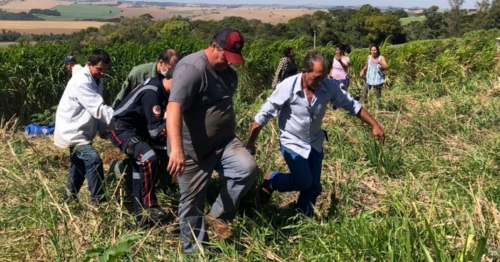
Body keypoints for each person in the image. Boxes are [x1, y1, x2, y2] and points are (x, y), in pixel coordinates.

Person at [246, 51, 385, 217]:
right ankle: (273, 180)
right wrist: (250, 142)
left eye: (323, 77)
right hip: (292, 142)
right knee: (304, 180)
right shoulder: (287, 86)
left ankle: (304, 216)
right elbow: (264, 114)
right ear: (304, 72)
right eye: (317, 77)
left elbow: (351, 104)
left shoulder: (328, 85)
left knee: (313, 187)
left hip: (315, 142)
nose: (320, 82)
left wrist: (374, 125)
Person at [166, 28, 258, 253]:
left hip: (224, 143)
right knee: (191, 202)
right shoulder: (192, 69)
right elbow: (174, 107)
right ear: (213, 45)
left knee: (247, 169)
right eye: (226, 56)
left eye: (233, 59)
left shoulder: (228, 72)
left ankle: (218, 216)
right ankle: (194, 251)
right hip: (192, 150)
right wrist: (176, 150)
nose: (229, 63)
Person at [109, 48, 179, 192]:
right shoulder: (140, 74)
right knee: (147, 157)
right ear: (161, 63)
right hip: (129, 126)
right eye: (172, 69)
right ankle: (118, 170)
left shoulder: (164, 86)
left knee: (161, 156)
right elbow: (123, 99)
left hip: (149, 123)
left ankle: (161, 187)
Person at [107, 75, 172, 228]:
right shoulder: (153, 92)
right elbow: (156, 131)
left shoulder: (160, 87)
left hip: (137, 130)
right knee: (148, 158)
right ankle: (149, 206)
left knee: (141, 168)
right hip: (121, 128)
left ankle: (142, 220)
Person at [54, 49, 113, 205]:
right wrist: (120, 120)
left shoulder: (97, 81)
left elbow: (96, 108)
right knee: (93, 160)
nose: (102, 73)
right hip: (73, 131)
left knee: (79, 166)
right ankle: (99, 203)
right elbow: (99, 108)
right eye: (99, 69)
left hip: (83, 130)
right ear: (89, 65)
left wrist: (103, 130)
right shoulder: (82, 81)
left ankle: (68, 200)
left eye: (105, 70)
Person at [112, 48, 178, 108]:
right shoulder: (138, 73)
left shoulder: (171, 78)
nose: (171, 72)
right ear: (161, 62)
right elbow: (122, 96)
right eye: (169, 69)